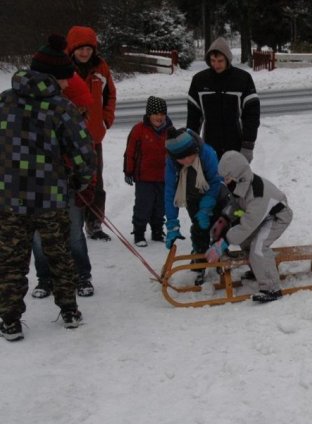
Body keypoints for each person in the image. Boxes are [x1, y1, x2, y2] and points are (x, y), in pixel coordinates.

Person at [0, 34, 96, 341]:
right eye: (66, 78)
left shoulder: (4, 102)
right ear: (53, 77)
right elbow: (84, 152)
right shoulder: (60, 108)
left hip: (9, 198)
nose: (69, 84)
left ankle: (10, 319)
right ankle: (69, 310)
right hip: (50, 198)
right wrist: (80, 180)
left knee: (11, 260)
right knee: (59, 255)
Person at [31, 70, 96, 299]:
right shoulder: (34, 117)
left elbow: (86, 155)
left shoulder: (73, 121)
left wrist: (84, 182)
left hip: (68, 185)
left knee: (74, 233)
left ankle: (82, 275)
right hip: (36, 187)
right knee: (39, 236)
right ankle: (45, 278)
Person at [207, 151, 293, 303]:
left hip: (278, 217)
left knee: (259, 248)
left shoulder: (257, 194)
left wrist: (224, 242)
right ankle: (258, 271)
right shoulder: (241, 185)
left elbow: (246, 226)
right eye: (224, 179)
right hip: (262, 217)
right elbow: (236, 205)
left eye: (227, 178)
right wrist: (224, 219)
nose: (225, 182)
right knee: (245, 242)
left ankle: (272, 288)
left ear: (238, 176)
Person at [66, 25, 117, 240]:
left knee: (96, 182)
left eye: (88, 48)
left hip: (94, 136)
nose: (85, 53)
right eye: (80, 49)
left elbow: (110, 95)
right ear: (72, 50)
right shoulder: (64, 69)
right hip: (69, 138)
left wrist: (106, 119)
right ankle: (70, 222)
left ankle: (95, 223)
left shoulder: (101, 67)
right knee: (71, 180)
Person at [164, 127, 223, 285]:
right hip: (192, 198)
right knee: (199, 229)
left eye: (189, 156)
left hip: (215, 195)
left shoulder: (207, 154)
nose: (187, 161)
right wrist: (171, 223)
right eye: (181, 159)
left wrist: (208, 204)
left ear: (195, 149)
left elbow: (216, 180)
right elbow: (170, 190)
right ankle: (200, 256)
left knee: (218, 227)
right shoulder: (171, 162)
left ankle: (220, 254)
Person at [186, 36, 260, 162]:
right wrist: (191, 145)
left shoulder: (243, 79)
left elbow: (251, 115)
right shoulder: (199, 80)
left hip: (236, 145)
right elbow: (194, 116)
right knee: (212, 181)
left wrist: (248, 145)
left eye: (220, 61)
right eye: (213, 60)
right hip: (209, 146)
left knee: (234, 181)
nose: (216, 65)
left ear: (227, 60)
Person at [123, 96, 173, 247]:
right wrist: (128, 171)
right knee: (143, 205)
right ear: (148, 114)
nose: (159, 117)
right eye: (156, 114)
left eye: (162, 114)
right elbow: (130, 152)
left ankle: (157, 231)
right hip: (143, 177)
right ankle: (139, 233)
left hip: (163, 177)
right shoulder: (139, 129)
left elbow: (177, 152)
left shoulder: (170, 131)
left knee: (160, 206)